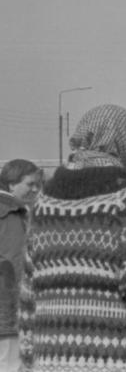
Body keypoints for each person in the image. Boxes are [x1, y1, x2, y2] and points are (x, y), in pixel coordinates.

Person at [18, 104, 126, 372]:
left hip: (50, 361)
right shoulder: (123, 202)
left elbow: (29, 295)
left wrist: (27, 361)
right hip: (116, 360)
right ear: (125, 145)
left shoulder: (44, 205)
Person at [0, 159, 42, 371]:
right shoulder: (10, 213)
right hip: (9, 309)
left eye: (38, 184)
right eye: (30, 184)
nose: (35, 189)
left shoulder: (17, 211)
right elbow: (16, 263)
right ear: (11, 184)